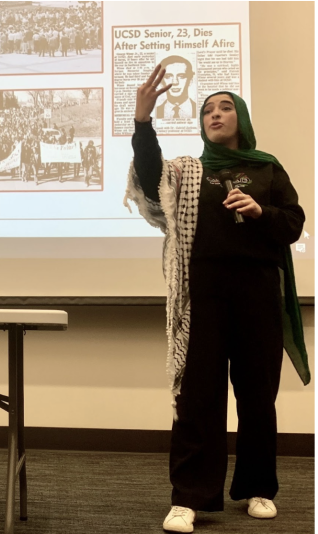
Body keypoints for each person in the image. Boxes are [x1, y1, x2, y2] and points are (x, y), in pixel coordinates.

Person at [124, 64, 310, 533]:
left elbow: (293, 222)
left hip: (257, 296)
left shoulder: (267, 167)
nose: (216, 114)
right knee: (197, 399)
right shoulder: (189, 171)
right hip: (203, 296)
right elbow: (150, 183)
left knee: (256, 397)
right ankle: (188, 497)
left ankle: (259, 488)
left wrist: (261, 210)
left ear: (241, 118)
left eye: (226, 107)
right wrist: (143, 123)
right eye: (208, 109)